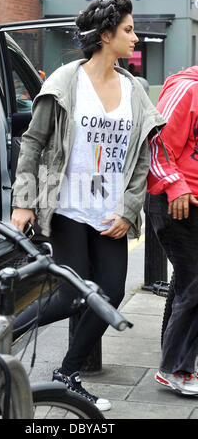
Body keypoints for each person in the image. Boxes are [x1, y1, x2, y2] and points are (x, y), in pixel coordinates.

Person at [11, 0, 165, 411]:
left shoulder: (135, 88)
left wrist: (129, 210)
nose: (135, 38)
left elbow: (141, 159)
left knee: (109, 293)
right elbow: (33, 143)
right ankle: (3, 336)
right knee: (71, 295)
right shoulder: (64, 82)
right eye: (128, 30)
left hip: (110, 212)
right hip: (67, 207)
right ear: (105, 35)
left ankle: (66, 374)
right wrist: (24, 201)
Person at [145, 65, 198, 395]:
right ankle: (175, 369)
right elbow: (156, 142)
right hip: (176, 201)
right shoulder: (187, 88)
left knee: (187, 281)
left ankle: (172, 358)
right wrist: (175, 185)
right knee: (195, 284)